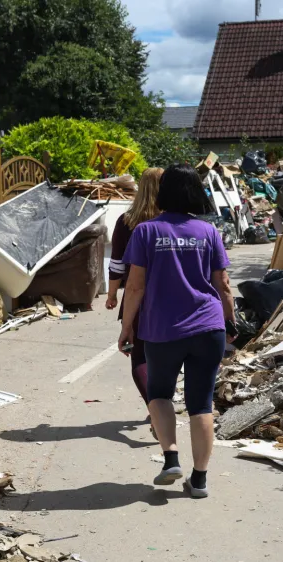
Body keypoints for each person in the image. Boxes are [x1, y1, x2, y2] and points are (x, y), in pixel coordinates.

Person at [118, 163, 235, 499]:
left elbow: (135, 286)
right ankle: (199, 480)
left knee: (159, 394)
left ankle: (170, 458)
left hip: (162, 329)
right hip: (207, 326)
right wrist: (230, 322)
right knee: (201, 403)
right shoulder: (209, 232)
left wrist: (128, 327)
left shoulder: (146, 232)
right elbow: (223, 284)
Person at [105, 167, 164, 406]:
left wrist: (111, 296)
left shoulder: (127, 221)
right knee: (166, 355)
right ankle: (162, 406)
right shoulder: (173, 222)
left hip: (137, 298)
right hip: (171, 296)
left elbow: (117, 264)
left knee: (139, 355)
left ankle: (156, 407)